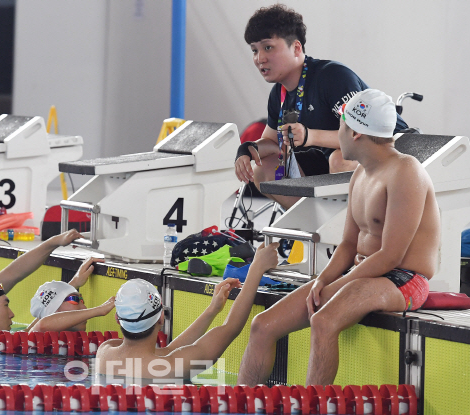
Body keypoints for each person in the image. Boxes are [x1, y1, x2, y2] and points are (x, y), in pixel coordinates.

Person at [237, 89, 440, 386]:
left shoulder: (406, 172)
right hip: (360, 274)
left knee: (323, 320)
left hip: (404, 278)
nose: (338, 134)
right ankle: (242, 403)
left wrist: (338, 284)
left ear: (356, 132)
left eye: (341, 126)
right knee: (263, 325)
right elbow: (347, 244)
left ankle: (312, 406)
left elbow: (391, 256)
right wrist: (322, 281)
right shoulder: (360, 174)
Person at [233, 4, 408, 209]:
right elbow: (273, 142)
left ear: (296, 48)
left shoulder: (332, 76)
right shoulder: (278, 95)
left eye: (268, 47)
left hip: (394, 152)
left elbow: (363, 135)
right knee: (265, 170)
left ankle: (349, 231)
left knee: (339, 160)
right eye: (254, 50)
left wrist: (309, 136)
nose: (259, 58)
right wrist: (247, 149)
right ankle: (315, 226)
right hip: (331, 159)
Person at [95, 242, 279, 384]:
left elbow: (166, 352)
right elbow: (230, 327)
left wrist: (212, 310)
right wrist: (256, 268)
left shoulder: (104, 353)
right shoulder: (174, 367)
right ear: (161, 317)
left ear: (118, 320)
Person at [27, 257, 115, 332]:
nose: (84, 308)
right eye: (74, 300)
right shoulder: (31, 340)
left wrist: (73, 284)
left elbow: (47, 312)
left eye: (81, 301)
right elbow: (43, 324)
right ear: (54, 310)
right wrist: (99, 310)